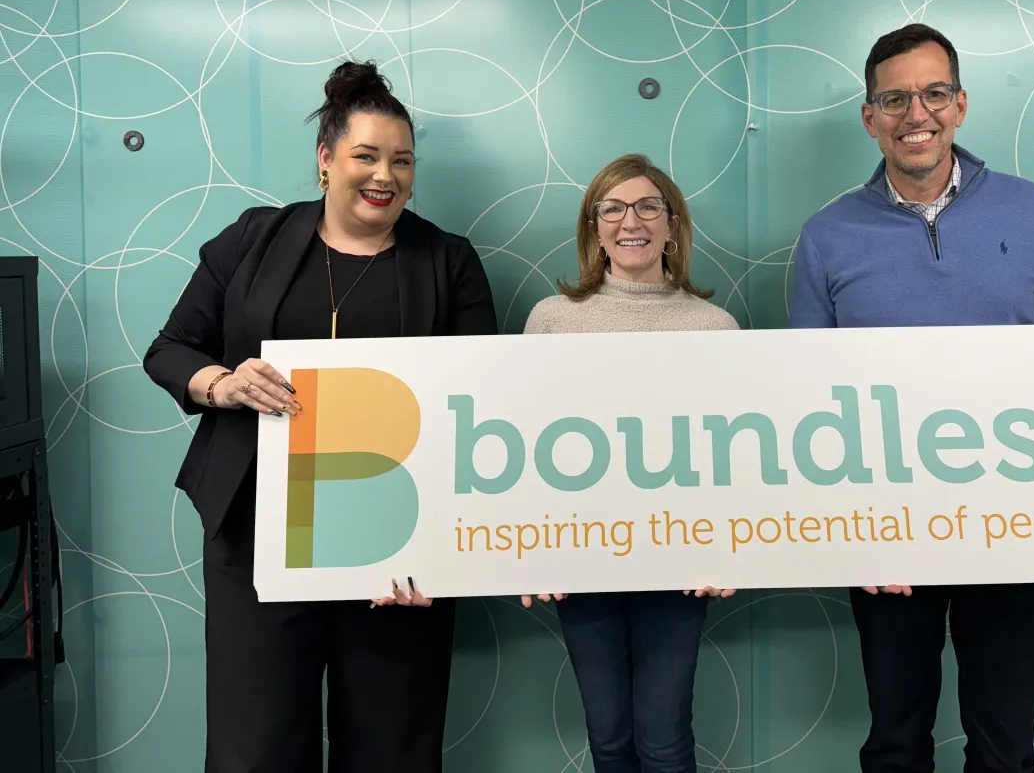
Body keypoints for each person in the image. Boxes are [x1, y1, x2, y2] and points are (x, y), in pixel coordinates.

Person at [789, 23, 1034, 773]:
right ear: (869, 116)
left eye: (934, 93)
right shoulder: (825, 236)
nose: (917, 114)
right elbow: (807, 401)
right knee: (895, 742)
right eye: (895, 98)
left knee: (1005, 748)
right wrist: (845, 533)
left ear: (961, 105)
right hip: (886, 532)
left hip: (1019, 525)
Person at [143, 61, 497, 773]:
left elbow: (479, 402)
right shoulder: (251, 241)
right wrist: (222, 383)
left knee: (392, 746)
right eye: (366, 155)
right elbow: (171, 349)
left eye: (402, 161)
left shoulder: (447, 262)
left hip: (399, 547)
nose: (385, 175)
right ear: (326, 159)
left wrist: (444, 550)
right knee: (258, 747)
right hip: (258, 534)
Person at [521, 152, 738, 773]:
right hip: (580, 557)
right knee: (609, 740)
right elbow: (526, 446)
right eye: (611, 208)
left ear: (673, 225)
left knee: (664, 741)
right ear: (595, 227)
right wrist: (528, 547)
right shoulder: (552, 322)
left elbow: (734, 455)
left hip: (679, 560)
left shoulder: (714, 329)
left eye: (647, 206)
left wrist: (732, 548)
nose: (630, 220)